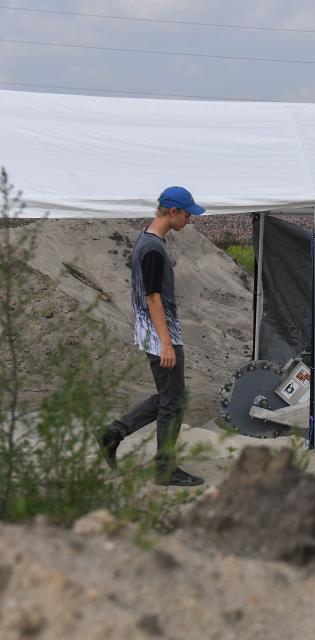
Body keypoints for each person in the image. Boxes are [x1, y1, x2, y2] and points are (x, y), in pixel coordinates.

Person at [97, 186, 206, 486]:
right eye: (186, 214)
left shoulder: (146, 239)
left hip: (153, 332)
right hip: (161, 334)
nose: (189, 220)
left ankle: (113, 433)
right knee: (174, 402)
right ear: (172, 212)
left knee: (171, 397)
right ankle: (165, 469)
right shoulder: (154, 248)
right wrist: (166, 342)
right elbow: (153, 298)